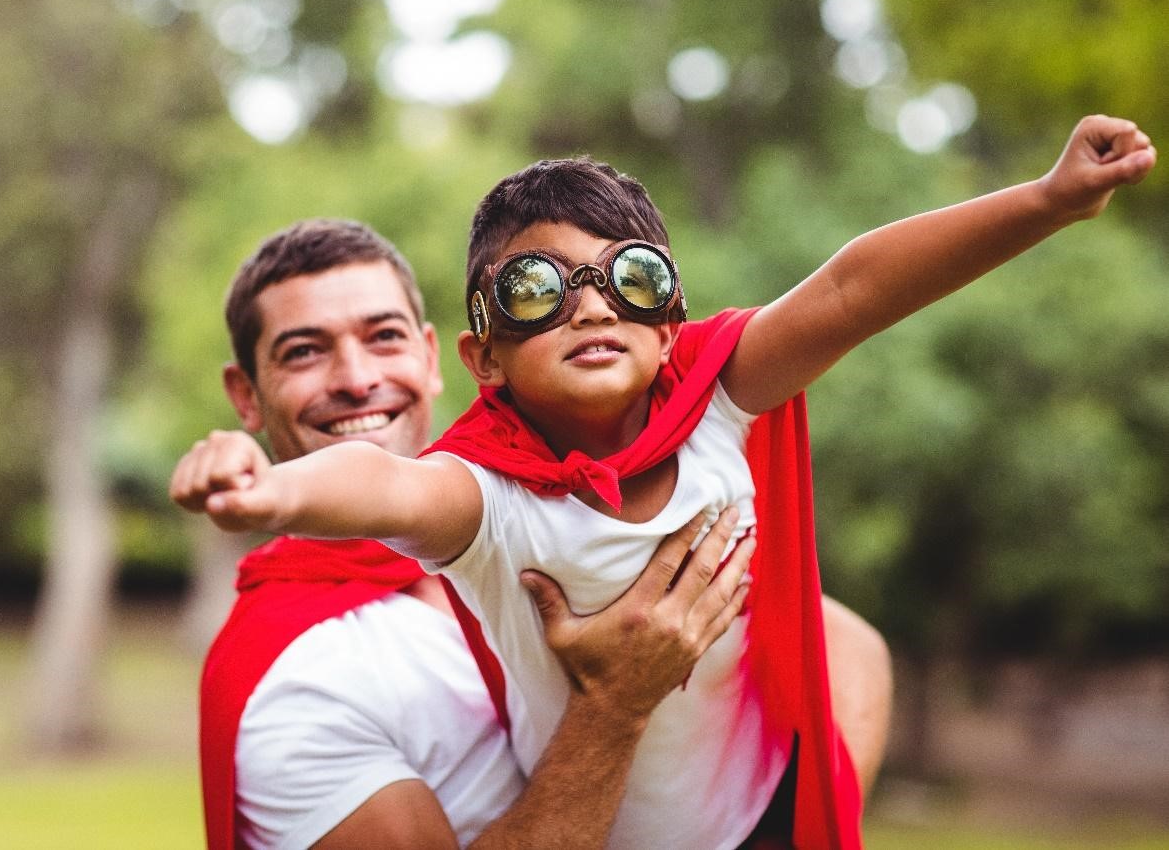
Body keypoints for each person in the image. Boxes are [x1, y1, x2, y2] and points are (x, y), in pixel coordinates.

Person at [192, 115, 1155, 849]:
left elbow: (853, 289)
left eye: (633, 279)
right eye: (538, 289)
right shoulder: (481, 504)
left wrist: (1047, 199)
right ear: (487, 359)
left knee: (847, 641)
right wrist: (268, 494)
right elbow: (385, 487)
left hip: (766, 807)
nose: (592, 305)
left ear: (669, 331)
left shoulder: (718, 400)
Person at [174, 220, 892, 848]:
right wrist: (614, 706)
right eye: (304, 352)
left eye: (383, 337)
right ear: (245, 394)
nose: (358, 378)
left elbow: (845, 647)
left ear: (431, 357)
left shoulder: (536, 520)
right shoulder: (295, 680)